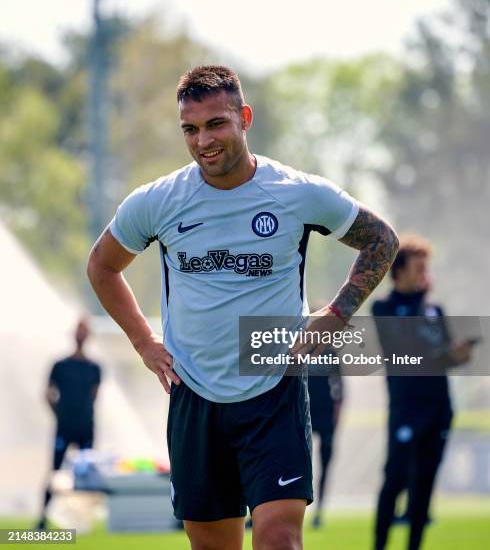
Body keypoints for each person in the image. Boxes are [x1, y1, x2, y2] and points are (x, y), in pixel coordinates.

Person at [87, 65, 399, 550]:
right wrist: (143, 341)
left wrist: (335, 316)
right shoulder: (158, 201)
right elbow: (102, 267)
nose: (203, 141)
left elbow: (381, 240)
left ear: (244, 118)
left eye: (216, 124)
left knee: (278, 540)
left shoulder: (297, 192)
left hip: (274, 390)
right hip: (193, 393)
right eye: (190, 129)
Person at [372, 233, 472, 550]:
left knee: (424, 485)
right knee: (396, 479)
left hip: (439, 409)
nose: (425, 273)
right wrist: (442, 354)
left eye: (426, 267)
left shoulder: (434, 309)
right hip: (406, 409)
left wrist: (458, 355)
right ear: (399, 270)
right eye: (418, 266)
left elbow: (439, 358)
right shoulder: (384, 307)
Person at [36, 317, 102, 530]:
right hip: (64, 427)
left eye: (84, 331)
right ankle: (43, 518)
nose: (81, 335)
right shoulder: (60, 365)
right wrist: (60, 415)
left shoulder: (94, 367)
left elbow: (94, 396)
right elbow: (48, 393)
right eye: (78, 330)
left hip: (85, 428)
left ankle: (84, 521)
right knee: (55, 471)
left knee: (86, 475)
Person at [307, 368, 343, 529]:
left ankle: (319, 512)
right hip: (305, 413)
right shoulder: (298, 349)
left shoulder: (330, 354)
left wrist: (336, 419)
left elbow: (340, 389)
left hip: (325, 416)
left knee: (324, 466)